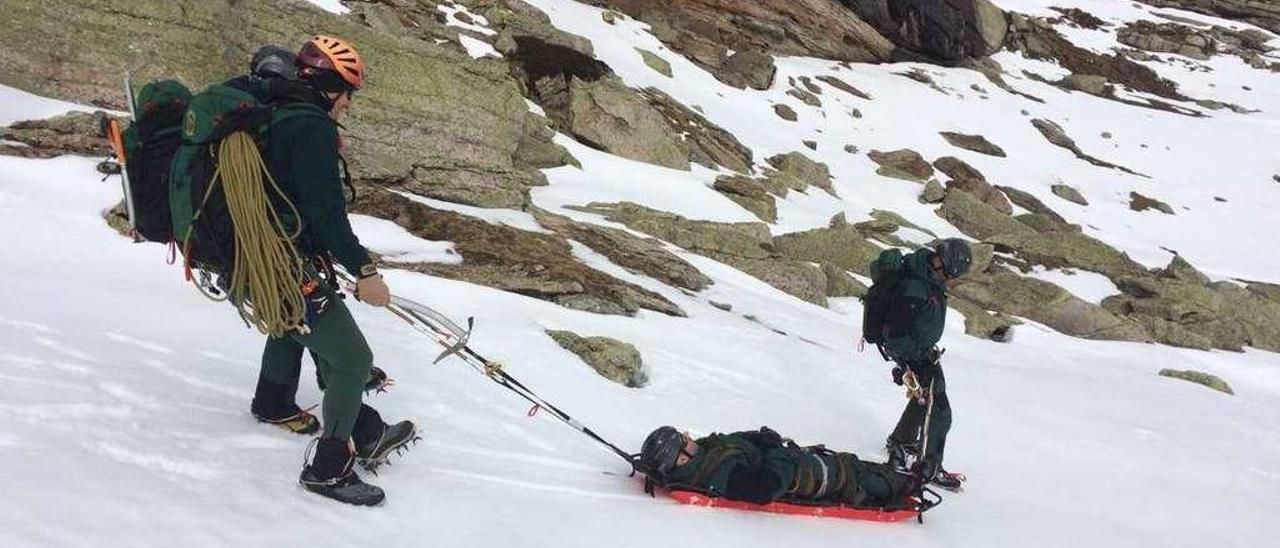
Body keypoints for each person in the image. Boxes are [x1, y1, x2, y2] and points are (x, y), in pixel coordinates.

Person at [240, 35, 416, 506]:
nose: (348, 105)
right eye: (348, 94)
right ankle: (330, 468)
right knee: (352, 360)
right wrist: (364, 269)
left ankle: (273, 402)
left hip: (259, 256)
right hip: (283, 262)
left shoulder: (273, 115)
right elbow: (325, 214)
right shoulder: (310, 126)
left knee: (293, 324)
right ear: (329, 87)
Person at [875, 238, 971, 491]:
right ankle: (928, 467)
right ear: (939, 261)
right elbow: (895, 333)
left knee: (924, 400)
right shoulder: (915, 286)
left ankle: (902, 441)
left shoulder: (925, 276)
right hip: (913, 354)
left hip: (921, 352)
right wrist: (908, 363)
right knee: (939, 411)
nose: (950, 279)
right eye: (950, 273)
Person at [638, 426, 920, 509]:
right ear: (682, 458)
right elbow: (767, 488)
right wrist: (773, 447)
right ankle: (907, 484)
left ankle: (897, 476)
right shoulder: (722, 475)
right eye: (683, 439)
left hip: (806, 461)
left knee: (852, 464)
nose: (689, 436)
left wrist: (760, 437)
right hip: (816, 479)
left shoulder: (705, 454)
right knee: (857, 477)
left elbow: (730, 441)